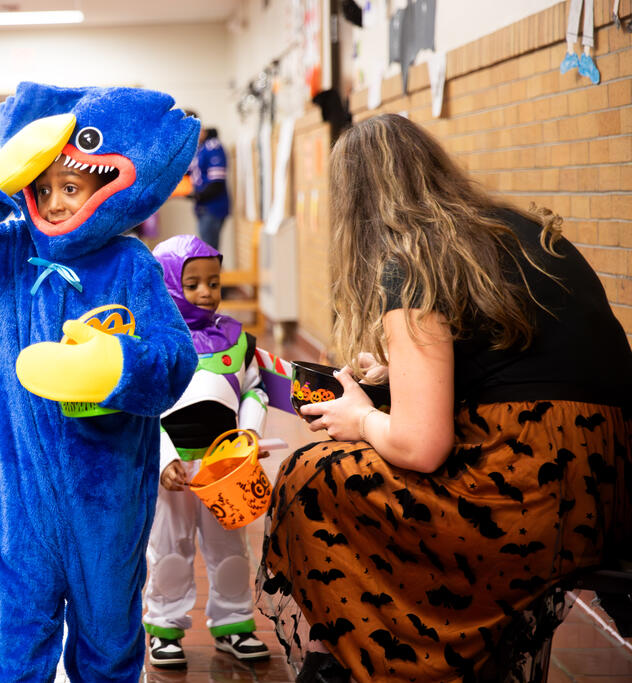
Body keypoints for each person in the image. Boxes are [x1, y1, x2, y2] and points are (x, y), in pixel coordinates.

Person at [258, 114, 631, 682]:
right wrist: (398, 371)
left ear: (357, 207)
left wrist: (360, 417)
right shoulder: (516, 230)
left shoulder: (412, 259)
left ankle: (389, 662)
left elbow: (422, 446)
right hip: (609, 477)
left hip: (534, 485)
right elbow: (517, 359)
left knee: (312, 475)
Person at [0, 82, 199, 681]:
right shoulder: (8, 254)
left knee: (109, 635)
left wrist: (118, 366)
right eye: (41, 188)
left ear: (103, 190)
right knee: (16, 636)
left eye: (69, 187)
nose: (51, 204)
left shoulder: (131, 263)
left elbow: (176, 360)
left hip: (108, 495)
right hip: (21, 495)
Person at [143, 234, 271, 668]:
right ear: (167, 284)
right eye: (192, 283)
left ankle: (234, 624)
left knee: (231, 550)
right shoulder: (153, 343)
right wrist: (163, 459)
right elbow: (144, 409)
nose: (206, 292)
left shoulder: (237, 340)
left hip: (225, 467)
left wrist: (248, 437)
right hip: (173, 470)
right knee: (169, 551)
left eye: (213, 283)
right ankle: (164, 628)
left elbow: (255, 391)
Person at [185, 111, 229, 250]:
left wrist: (197, 195)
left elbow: (216, 183)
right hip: (202, 207)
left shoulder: (212, 146)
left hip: (212, 207)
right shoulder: (199, 149)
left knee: (209, 252)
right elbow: (188, 173)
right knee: (206, 249)